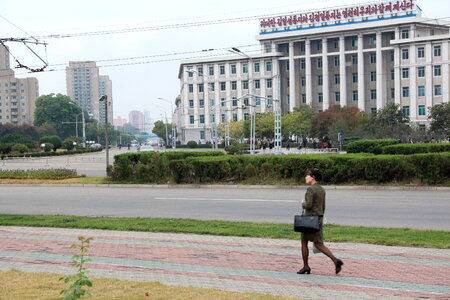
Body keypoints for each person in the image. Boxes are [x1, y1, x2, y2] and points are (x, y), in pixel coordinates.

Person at [298, 168, 344, 275]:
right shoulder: (322, 189)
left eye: (307, 175)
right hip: (318, 219)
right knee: (318, 244)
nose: (306, 177)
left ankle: (306, 266)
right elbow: (322, 206)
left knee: (304, 242)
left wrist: (303, 203)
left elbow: (308, 205)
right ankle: (336, 261)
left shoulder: (310, 189)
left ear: (313, 177)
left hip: (308, 220)